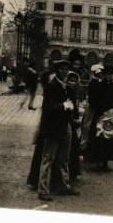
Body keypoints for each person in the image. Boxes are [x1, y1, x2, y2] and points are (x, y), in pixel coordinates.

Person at [36, 60, 79, 201]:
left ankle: (63, 185)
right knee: (48, 158)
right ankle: (43, 190)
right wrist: (63, 105)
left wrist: (72, 110)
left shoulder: (66, 86)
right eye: (62, 69)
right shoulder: (51, 86)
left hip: (65, 125)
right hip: (53, 127)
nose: (65, 72)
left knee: (64, 158)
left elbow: (71, 105)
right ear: (56, 71)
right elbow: (47, 108)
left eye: (66, 69)